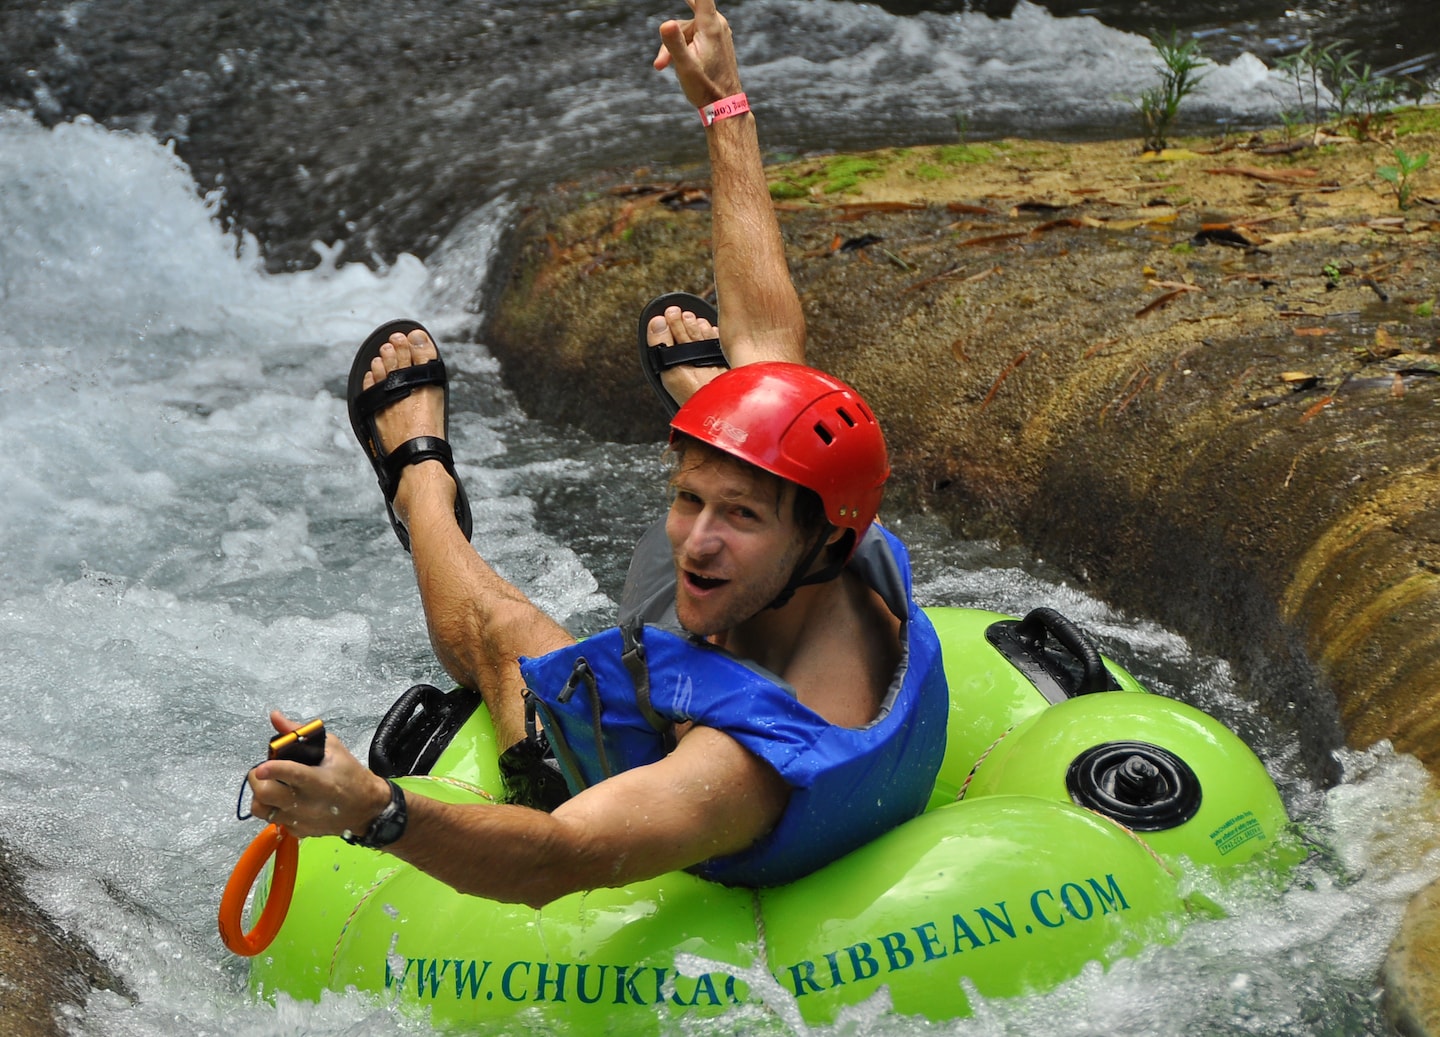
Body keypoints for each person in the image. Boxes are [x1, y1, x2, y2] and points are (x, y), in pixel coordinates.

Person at [247, 0, 948, 906]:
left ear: (822, 538)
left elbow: (557, 857)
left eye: (738, 512)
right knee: (766, 382)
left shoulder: (734, 767)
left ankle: (419, 488)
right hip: (798, 651)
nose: (693, 540)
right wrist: (725, 107)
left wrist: (376, 808)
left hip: (720, 783)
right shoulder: (847, 530)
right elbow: (768, 331)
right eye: (689, 496)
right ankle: (725, 424)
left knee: (504, 638)